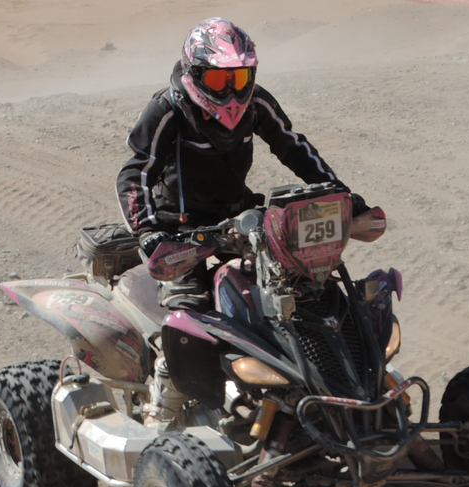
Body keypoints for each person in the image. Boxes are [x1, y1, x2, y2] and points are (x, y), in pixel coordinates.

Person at [115, 17, 366, 424]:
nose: (231, 91)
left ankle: (323, 382)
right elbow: (136, 172)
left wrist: (340, 194)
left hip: (239, 219)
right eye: (217, 79)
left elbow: (294, 147)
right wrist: (147, 232)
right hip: (180, 231)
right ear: (195, 75)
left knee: (305, 288)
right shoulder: (167, 109)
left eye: (240, 77)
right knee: (187, 315)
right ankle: (164, 408)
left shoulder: (257, 104)